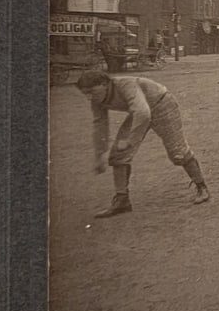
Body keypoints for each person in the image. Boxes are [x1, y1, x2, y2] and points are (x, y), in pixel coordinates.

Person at [75, 70, 210, 217]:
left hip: (162, 105)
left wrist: (130, 141)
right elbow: (100, 124)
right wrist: (100, 154)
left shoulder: (125, 84)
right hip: (139, 112)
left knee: (177, 152)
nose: (89, 97)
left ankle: (201, 187)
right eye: (85, 94)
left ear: (104, 84)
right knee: (118, 155)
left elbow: (143, 113)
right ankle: (122, 201)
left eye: (91, 91)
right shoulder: (97, 100)